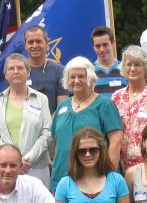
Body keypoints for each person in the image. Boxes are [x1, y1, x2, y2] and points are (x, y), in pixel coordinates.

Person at [49, 57, 123, 190]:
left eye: (81, 76)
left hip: (95, 179)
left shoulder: (104, 104)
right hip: (62, 178)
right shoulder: (62, 106)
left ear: (90, 78)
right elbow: (56, 142)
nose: (76, 81)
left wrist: (109, 176)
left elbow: (116, 142)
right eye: (72, 77)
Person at [0, 53, 52, 186]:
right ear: (5, 75)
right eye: (11, 68)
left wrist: (26, 160)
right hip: (6, 169)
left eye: (20, 68)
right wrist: (11, 161)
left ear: (28, 72)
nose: (16, 71)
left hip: (35, 167)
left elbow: (47, 134)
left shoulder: (41, 99)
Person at [20, 25, 69, 114]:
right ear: (25, 45)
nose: (34, 46)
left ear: (47, 43)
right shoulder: (17, 72)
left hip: (53, 125)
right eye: (30, 42)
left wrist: (47, 126)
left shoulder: (61, 71)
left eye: (38, 41)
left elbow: (62, 109)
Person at [91, 26, 128, 97]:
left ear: (113, 43)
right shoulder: (89, 71)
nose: (101, 49)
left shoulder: (125, 69)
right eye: (98, 46)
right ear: (93, 47)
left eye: (105, 45)